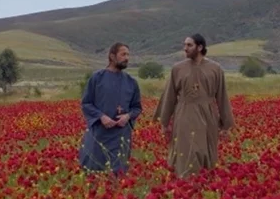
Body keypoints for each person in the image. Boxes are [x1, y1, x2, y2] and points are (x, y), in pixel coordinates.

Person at [153, 33, 235, 178]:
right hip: (184, 114)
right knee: (185, 150)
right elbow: (169, 96)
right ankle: (185, 182)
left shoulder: (215, 69)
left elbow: (222, 96)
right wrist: (164, 122)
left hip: (208, 115)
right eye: (184, 45)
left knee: (206, 150)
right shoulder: (177, 69)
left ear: (200, 47)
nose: (185, 48)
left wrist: (226, 125)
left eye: (189, 45)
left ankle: (205, 183)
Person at [78, 42, 142, 174]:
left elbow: (136, 107)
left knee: (118, 173)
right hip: (99, 133)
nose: (127, 58)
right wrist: (101, 117)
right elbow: (86, 103)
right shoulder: (97, 78)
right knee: (95, 170)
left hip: (121, 135)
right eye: (123, 54)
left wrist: (127, 116)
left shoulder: (131, 82)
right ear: (112, 56)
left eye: (128, 55)